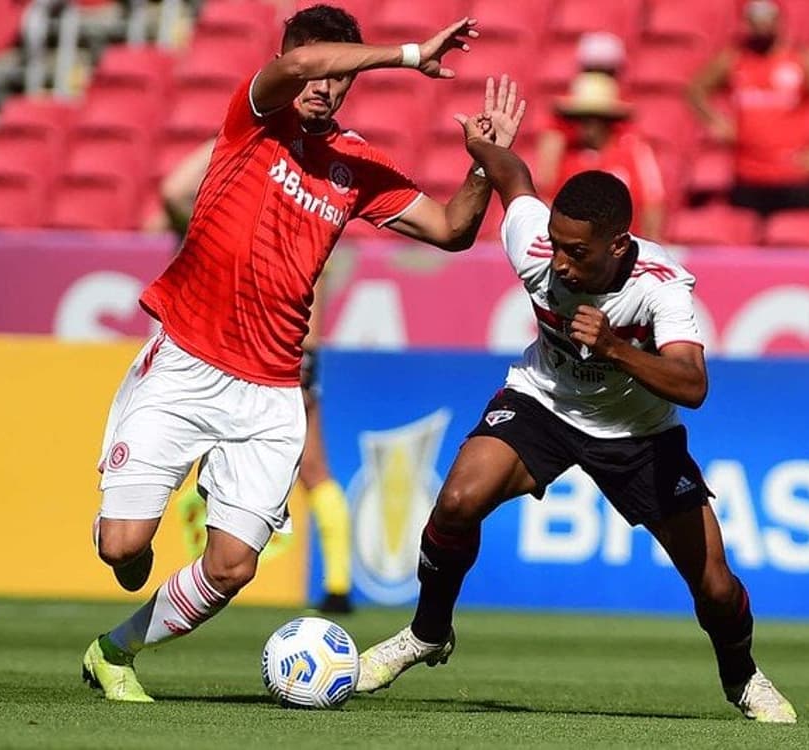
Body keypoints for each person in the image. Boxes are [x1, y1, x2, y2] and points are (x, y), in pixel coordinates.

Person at [81, 5, 517, 703]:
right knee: (122, 548)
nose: (322, 83)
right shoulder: (254, 117)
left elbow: (453, 229)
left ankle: (115, 650)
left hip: (271, 390)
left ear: (348, 84)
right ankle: (127, 539)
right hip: (188, 360)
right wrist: (407, 54)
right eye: (314, 65)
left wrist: (483, 165)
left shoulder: (356, 166)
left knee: (230, 569)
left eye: (335, 73)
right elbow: (298, 67)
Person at [354, 89, 798, 724]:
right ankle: (428, 632)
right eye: (556, 244)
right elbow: (515, 182)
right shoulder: (538, 247)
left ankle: (742, 677)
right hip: (545, 405)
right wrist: (486, 146)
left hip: (638, 435)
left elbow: (693, 384)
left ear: (618, 246)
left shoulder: (661, 287)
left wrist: (616, 347)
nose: (558, 262)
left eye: (576, 252)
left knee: (717, 586)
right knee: (456, 502)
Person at [155, 136, 357, 616]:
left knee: (310, 468)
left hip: (272, 357)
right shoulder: (308, 219)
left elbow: (171, 193)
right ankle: (337, 582)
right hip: (282, 355)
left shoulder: (279, 225)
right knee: (314, 470)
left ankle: (335, 583)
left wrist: (237, 136)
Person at [686, 0, 809, 218]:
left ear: (779, 21)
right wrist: (717, 121)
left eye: (767, 20)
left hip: (794, 176)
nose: (761, 27)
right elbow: (696, 89)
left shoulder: (802, 59)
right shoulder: (735, 58)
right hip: (748, 175)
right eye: (755, 21)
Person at [542, 72, 666, 239]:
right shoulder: (567, 154)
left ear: (607, 120)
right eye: (580, 118)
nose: (585, 126)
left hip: (624, 248)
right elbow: (549, 198)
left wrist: (652, 242)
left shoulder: (633, 150)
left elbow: (652, 202)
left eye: (592, 118)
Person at [534, 32, 628, 207]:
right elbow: (545, 178)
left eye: (607, 71)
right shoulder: (560, 126)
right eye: (591, 69)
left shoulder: (626, 134)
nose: (599, 77)